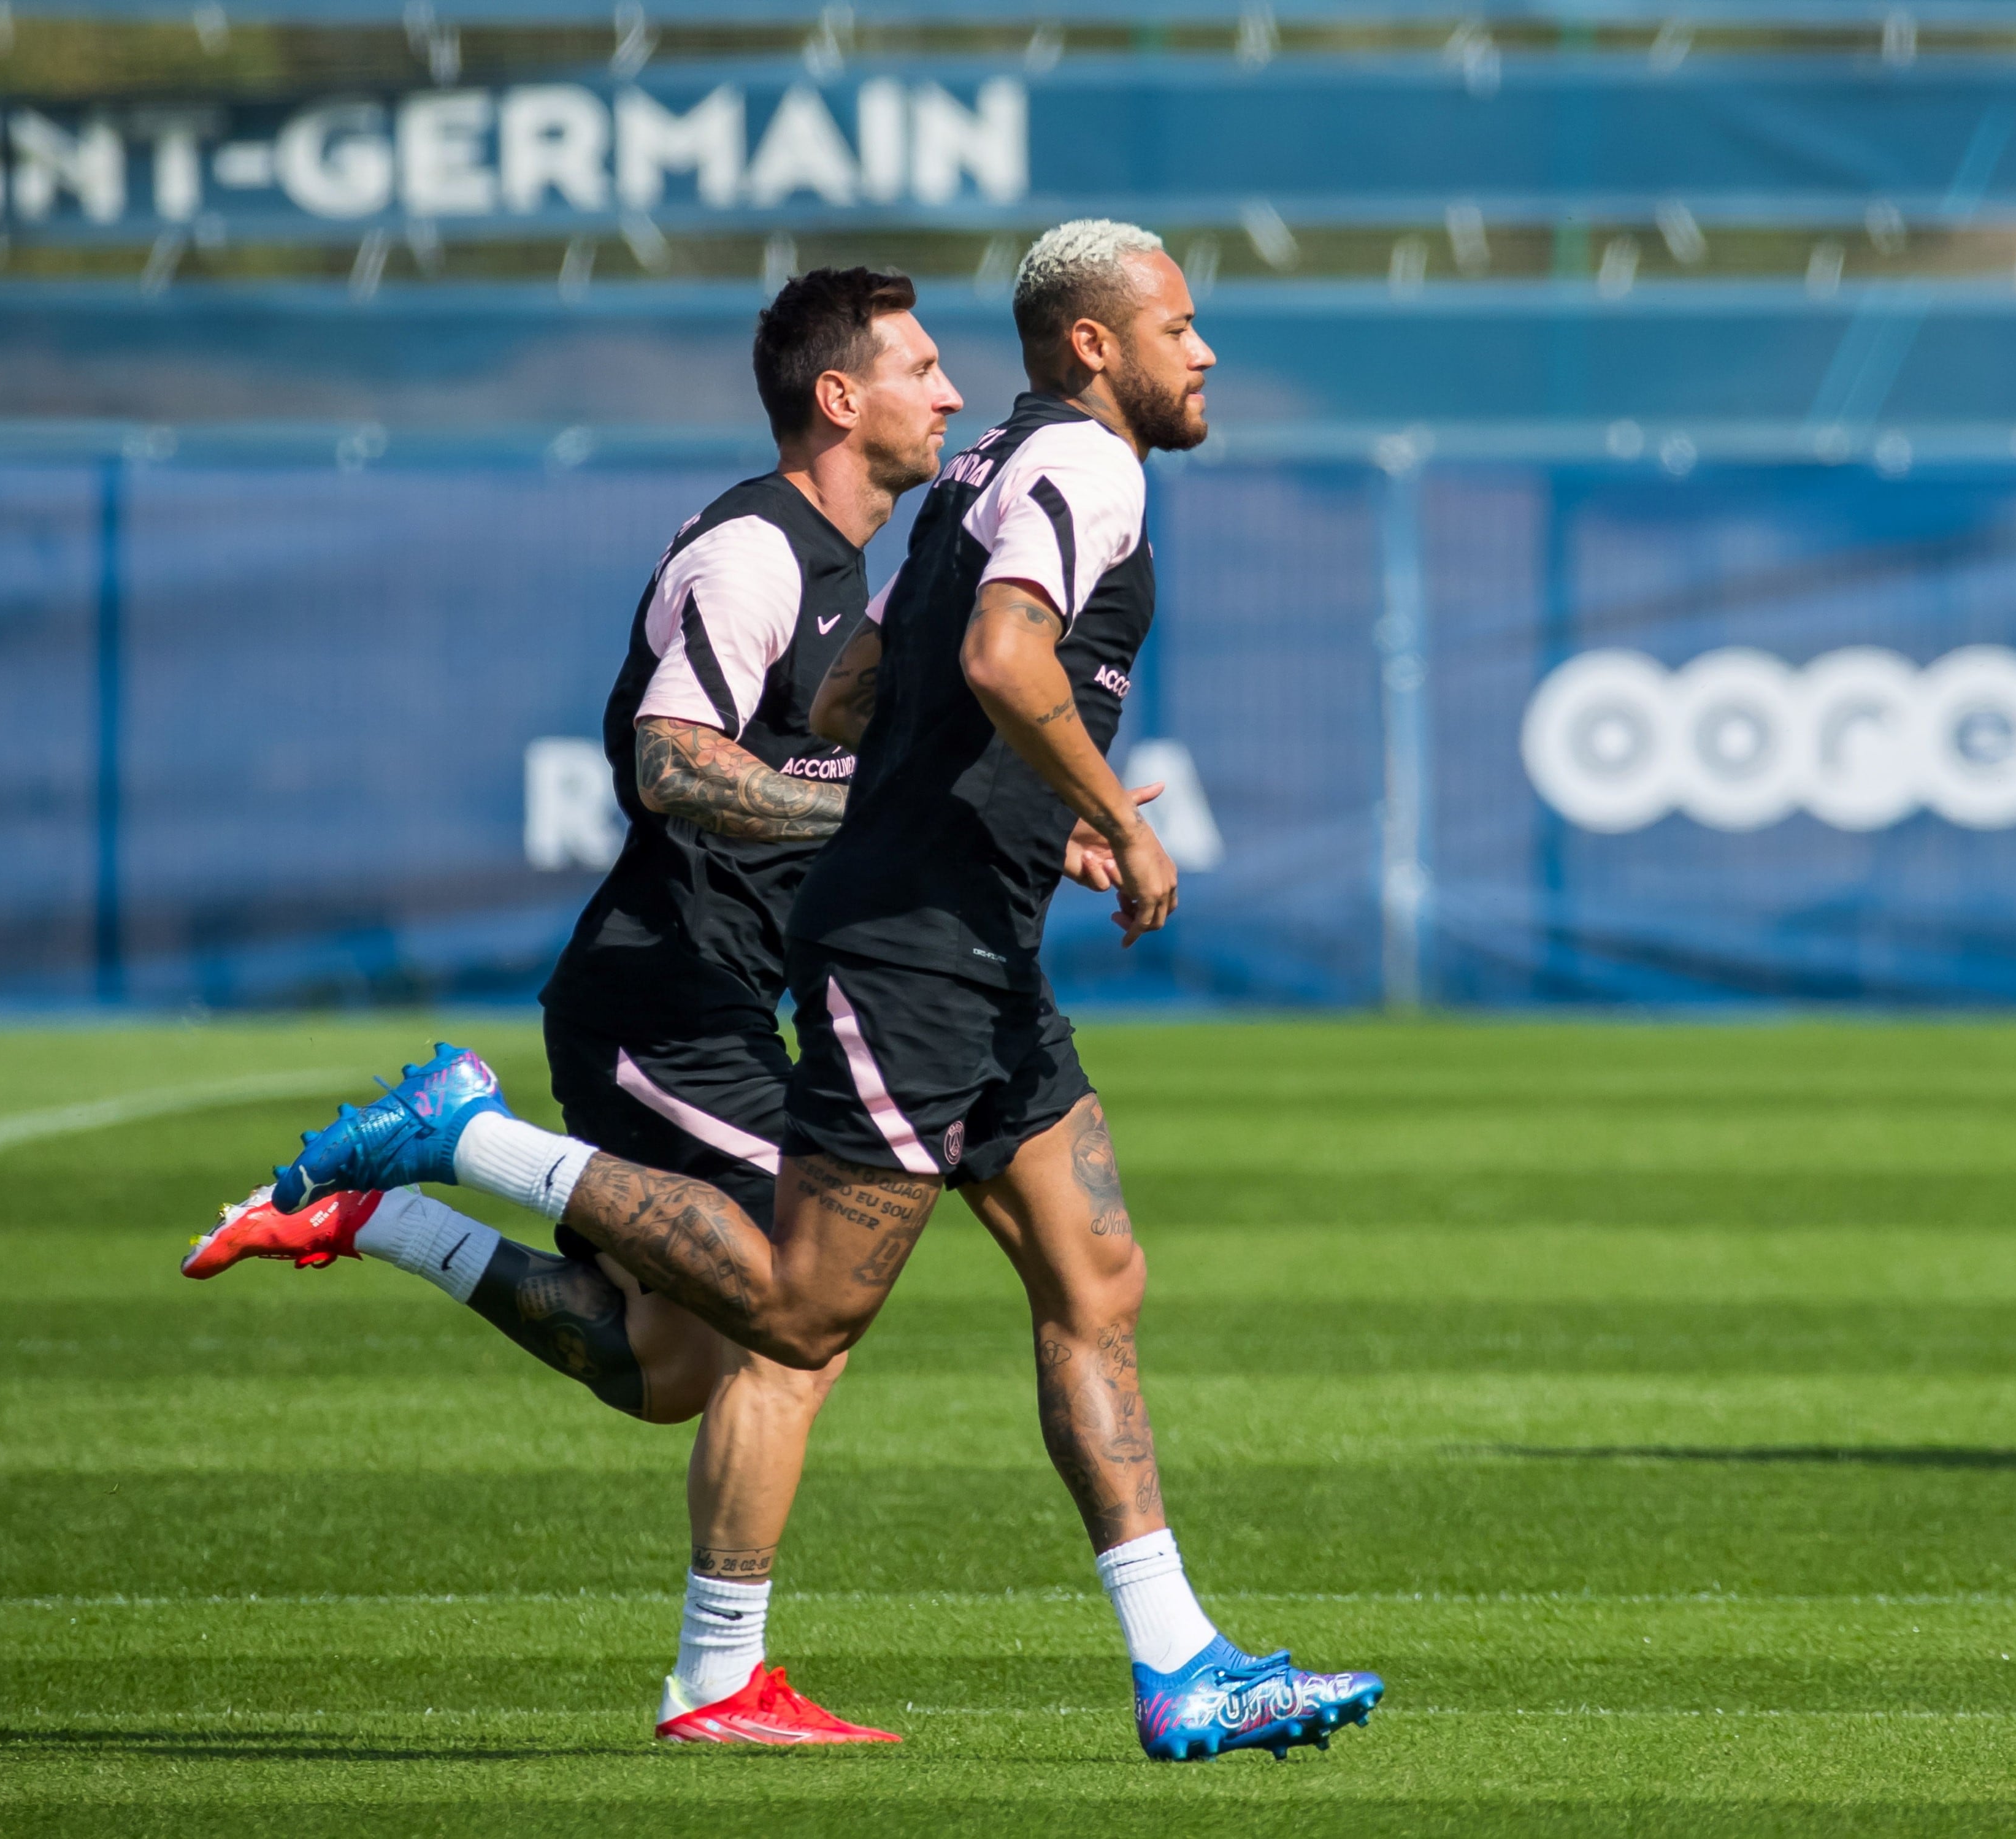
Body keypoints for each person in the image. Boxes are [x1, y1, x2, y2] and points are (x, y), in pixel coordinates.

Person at [262, 222, 1384, 1763]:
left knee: (1096, 1283)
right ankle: (468, 1141)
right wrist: (1116, 818)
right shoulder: (1089, 468)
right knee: (796, 1314)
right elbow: (998, 655)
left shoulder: (989, 465)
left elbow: (875, 682)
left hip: (974, 947)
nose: (1206, 355)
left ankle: (1179, 1663)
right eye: (1181, 327)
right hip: (907, 954)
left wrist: (993, 810)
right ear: (1094, 347)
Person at [183, 267, 963, 1745]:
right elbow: (670, 766)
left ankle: (388, 1210)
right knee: (810, 1301)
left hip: (709, 1003)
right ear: (837, 396)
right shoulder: (754, 554)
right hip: (658, 1001)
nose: (951, 391)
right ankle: (717, 1678)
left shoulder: (848, 571)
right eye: (921, 365)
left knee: (671, 1372)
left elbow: (842, 770)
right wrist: (876, 812)